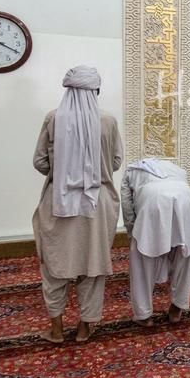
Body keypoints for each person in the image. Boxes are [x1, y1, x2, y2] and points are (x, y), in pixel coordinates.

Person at [32, 66, 123, 344]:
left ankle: (57, 328)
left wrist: (63, 175)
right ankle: (85, 326)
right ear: (95, 91)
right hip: (97, 207)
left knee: (55, 268)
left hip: (59, 205)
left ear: (68, 90)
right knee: (92, 269)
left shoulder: (54, 118)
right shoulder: (107, 121)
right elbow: (117, 161)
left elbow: (39, 162)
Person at [121, 159, 190, 325]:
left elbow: (126, 204)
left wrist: (132, 233)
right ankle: (177, 307)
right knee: (183, 254)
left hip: (153, 201)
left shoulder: (131, 170)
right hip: (184, 199)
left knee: (142, 259)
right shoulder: (177, 169)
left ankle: (143, 315)